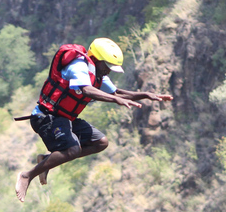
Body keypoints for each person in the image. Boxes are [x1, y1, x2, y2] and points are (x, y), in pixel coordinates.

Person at [15, 38, 173, 202]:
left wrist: (146, 95)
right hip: (46, 117)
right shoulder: (78, 67)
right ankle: (27, 175)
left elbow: (116, 93)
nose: (109, 71)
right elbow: (86, 90)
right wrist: (115, 101)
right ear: (96, 60)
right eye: (108, 66)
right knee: (73, 150)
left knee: (101, 142)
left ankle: (47, 160)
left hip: (65, 118)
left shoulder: (98, 74)